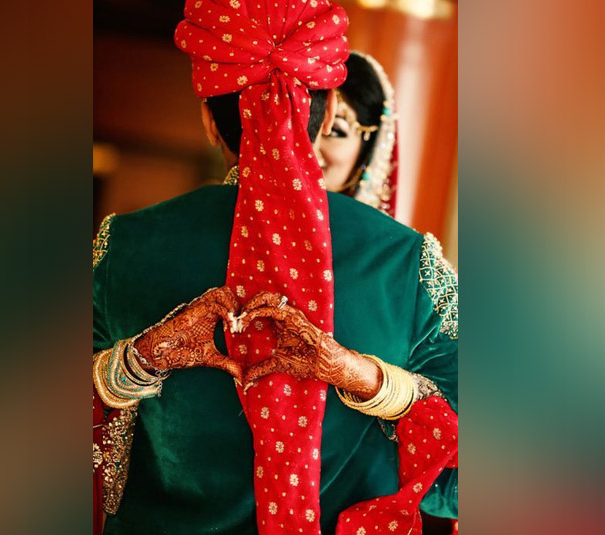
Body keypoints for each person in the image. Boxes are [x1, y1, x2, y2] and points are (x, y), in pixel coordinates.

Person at [93, 2, 457, 535]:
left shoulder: (123, 246)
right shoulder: (407, 264)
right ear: (330, 110)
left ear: (208, 121)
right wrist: (371, 381)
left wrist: (138, 361)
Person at [315, 51, 399, 217]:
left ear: (368, 153)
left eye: (333, 131)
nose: (311, 147)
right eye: (305, 125)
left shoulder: (376, 241)